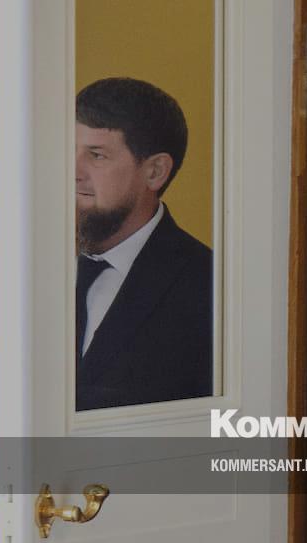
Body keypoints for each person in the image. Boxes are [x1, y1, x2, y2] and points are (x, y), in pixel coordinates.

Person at [75, 77, 212, 411]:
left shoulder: (210, 288)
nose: (72, 170)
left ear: (155, 172)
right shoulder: (18, 261)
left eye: (96, 155)